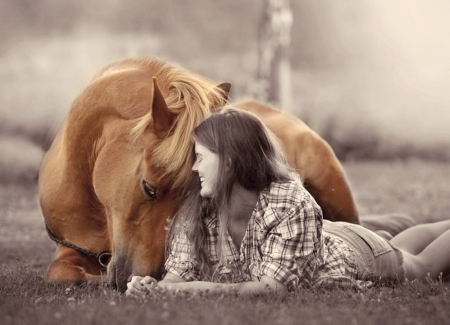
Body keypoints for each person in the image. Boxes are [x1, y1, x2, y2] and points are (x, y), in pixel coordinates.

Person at [126, 107, 450, 297]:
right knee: (393, 243)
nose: (194, 169)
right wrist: (153, 287)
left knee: (420, 266)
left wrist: (194, 289)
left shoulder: (289, 203)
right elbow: (179, 275)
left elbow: (271, 288)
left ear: (228, 162)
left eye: (200, 158)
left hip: (352, 254)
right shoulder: (198, 208)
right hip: (317, 240)